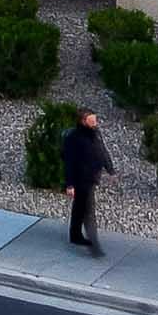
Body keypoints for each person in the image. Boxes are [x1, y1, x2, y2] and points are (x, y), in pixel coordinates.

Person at [61, 108, 116, 257]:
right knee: (89, 212)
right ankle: (94, 247)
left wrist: (110, 169)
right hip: (81, 179)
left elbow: (102, 151)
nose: (95, 123)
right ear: (83, 121)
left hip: (92, 178)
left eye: (95, 120)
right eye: (92, 121)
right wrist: (70, 184)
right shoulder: (73, 138)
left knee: (80, 207)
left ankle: (74, 234)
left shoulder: (96, 133)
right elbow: (69, 162)